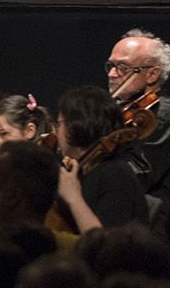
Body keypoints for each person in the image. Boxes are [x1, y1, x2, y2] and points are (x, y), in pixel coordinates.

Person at [104, 28, 170, 192]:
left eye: (122, 67)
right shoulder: (124, 107)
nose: (112, 74)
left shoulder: (163, 114)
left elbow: (138, 176)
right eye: (111, 66)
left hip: (158, 210)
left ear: (152, 74)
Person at [53, 84, 147, 228]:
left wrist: (73, 197)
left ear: (76, 125)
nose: (56, 131)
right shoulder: (83, 170)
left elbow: (106, 243)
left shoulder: (116, 175)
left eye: (59, 124)